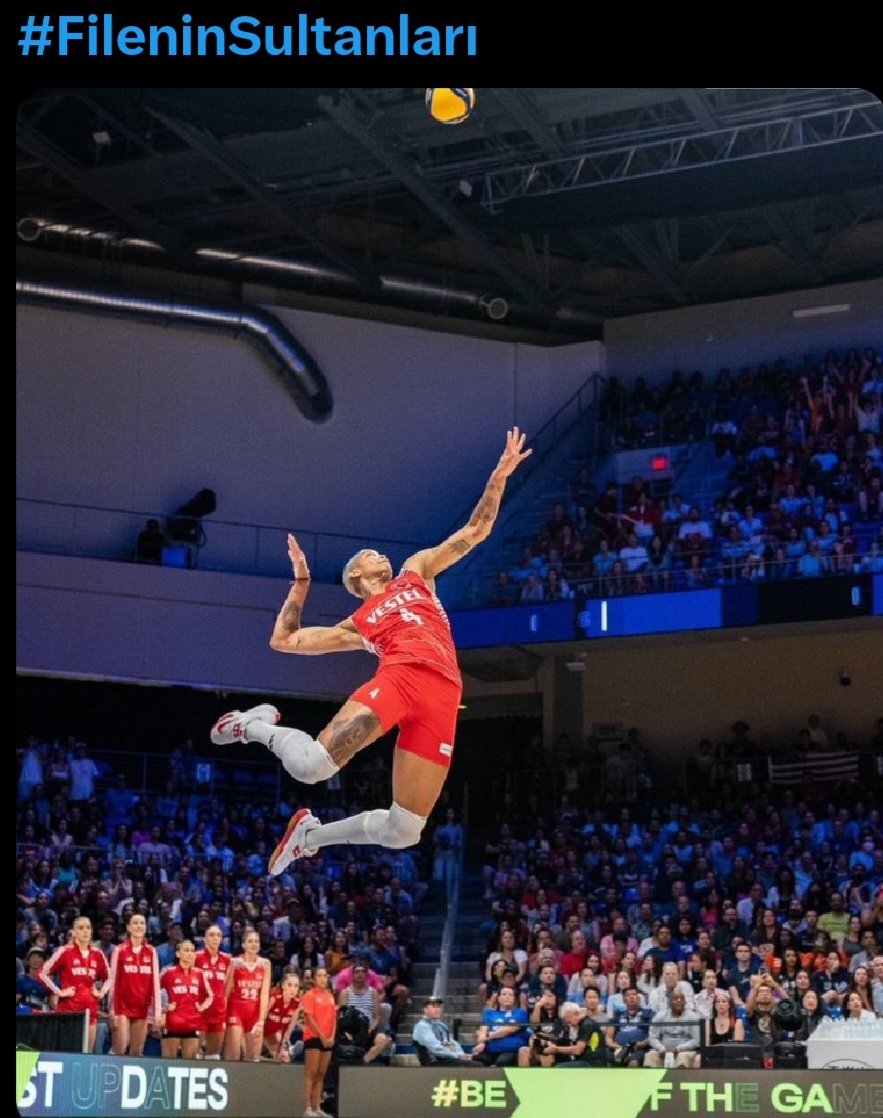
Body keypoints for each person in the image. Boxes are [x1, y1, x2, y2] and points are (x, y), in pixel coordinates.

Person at [210, 428, 532, 872]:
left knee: (405, 831)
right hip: (401, 680)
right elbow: (285, 640)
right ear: (357, 577)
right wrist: (301, 586)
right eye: (368, 554)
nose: (378, 553)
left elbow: (476, 531)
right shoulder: (359, 622)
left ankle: (312, 836)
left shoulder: (415, 571)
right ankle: (254, 725)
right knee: (311, 767)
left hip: (443, 696)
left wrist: (499, 475)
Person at [40, 915, 110, 1053]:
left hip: (90, 1010)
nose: (85, 931)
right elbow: (42, 973)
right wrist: (59, 991)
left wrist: (101, 992)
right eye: (81, 928)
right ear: (74, 931)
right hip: (69, 1011)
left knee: (87, 1054)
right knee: (68, 1053)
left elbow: (110, 977)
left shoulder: (98, 954)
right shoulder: (64, 951)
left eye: (88, 928)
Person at [108, 912, 162, 1056]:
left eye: (142, 923)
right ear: (128, 927)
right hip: (122, 1007)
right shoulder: (119, 950)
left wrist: (157, 1013)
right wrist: (112, 1010)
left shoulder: (151, 951)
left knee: (137, 1053)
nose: (139, 926)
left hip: (142, 1008)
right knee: (120, 1048)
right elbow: (112, 981)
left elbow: (155, 983)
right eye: (135, 923)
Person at [160, 939, 213, 1060]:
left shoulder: (199, 973)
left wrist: (202, 1007)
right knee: (168, 1064)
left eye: (192, 951)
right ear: (178, 954)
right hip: (172, 1024)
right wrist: (164, 1008)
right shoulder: (168, 972)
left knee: (190, 1064)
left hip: (192, 1023)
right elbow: (154, 992)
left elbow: (210, 996)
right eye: (186, 950)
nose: (190, 953)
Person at [223, 928, 271, 1062]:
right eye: (250, 941)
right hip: (235, 1010)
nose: (254, 944)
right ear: (243, 944)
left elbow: (264, 993)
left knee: (253, 1057)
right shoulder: (235, 962)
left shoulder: (265, 964)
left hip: (254, 1012)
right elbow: (225, 992)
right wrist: (231, 969)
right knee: (233, 1055)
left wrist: (261, 1020)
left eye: (256, 941)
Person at [299, 966, 337, 1118]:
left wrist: (331, 1037)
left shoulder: (330, 996)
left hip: (328, 1039)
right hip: (313, 1037)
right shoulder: (309, 995)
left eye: (324, 975)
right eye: (319, 976)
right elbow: (309, 1018)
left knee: (321, 1074)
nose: (322, 978)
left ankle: (317, 1107)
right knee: (311, 1073)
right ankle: (307, 1107)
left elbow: (334, 1018)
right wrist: (322, 1036)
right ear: (314, 978)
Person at [194, 923, 231, 1059]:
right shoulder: (196, 957)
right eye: (211, 935)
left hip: (219, 1012)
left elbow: (230, 987)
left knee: (213, 1055)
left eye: (218, 935)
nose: (215, 938)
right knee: (194, 1054)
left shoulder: (228, 959)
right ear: (205, 939)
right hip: (200, 1013)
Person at [412, 995, 473, 1066]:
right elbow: (435, 1048)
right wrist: (457, 1056)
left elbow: (449, 1043)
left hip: (446, 1059)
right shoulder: (422, 1026)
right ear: (425, 1009)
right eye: (433, 1007)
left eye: (438, 1007)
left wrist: (460, 1054)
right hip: (433, 1062)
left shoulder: (441, 1025)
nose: (437, 1009)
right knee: (472, 1065)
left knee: (478, 1061)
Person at [263, 970, 303, 1062]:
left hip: (278, 1035)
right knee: (278, 1039)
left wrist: (284, 1043)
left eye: (296, 986)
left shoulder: (297, 1003)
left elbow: (290, 1026)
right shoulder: (274, 998)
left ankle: (287, 1052)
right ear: (283, 985)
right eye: (289, 985)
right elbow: (262, 1018)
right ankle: (288, 1050)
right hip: (263, 1033)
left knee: (284, 1058)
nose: (293, 989)